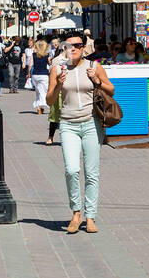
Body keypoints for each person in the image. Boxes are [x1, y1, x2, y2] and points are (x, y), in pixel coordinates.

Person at [46, 31, 114, 234]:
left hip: (91, 123)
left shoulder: (93, 67)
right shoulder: (57, 68)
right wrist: (58, 84)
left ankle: (90, 216)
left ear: (84, 48)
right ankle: (76, 212)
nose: (73, 49)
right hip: (68, 125)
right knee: (71, 170)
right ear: (64, 48)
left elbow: (111, 89)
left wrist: (97, 81)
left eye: (77, 45)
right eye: (69, 45)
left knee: (92, 173)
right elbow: (49, 101)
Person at [30, 39, 52, 115]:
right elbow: (50, 64)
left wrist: (28, 74)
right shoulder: (47, 55)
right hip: (44, 75)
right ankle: (41, 106)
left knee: (38, 91)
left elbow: (30, 65)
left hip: (35, 75)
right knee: (44, 91)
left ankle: (40, 108)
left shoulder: (34, 54)